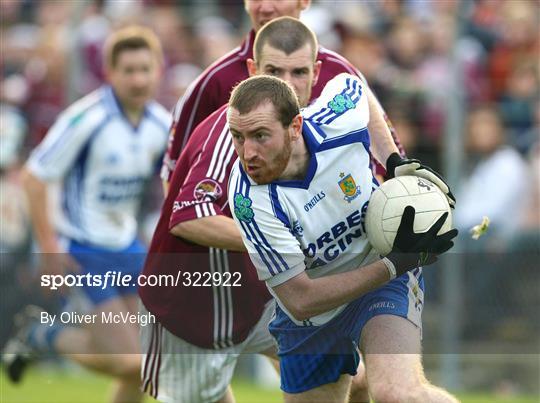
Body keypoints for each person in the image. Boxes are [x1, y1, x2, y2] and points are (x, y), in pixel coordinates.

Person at [139, 16, 374, 403]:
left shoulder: (310, 126)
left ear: (315, 74)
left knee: (357, 378)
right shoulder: (229, 133)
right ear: (252, 72)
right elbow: (188, 218)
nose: (288, 85)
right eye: (274, 72)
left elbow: (364, 106)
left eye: (297, 72)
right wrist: (289, 246)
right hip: (192, 310)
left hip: (263, 298)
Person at [227, 74, 458, 402]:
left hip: (379, 280)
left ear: (295, 127)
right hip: (313, 315)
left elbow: (356, 86)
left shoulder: (336, 120)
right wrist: (395, 264)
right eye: (238, 136)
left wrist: (393, 160)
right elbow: (300, 300)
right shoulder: (249, 201)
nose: (247, 152)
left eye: (260, 135)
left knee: (397, 393)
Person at [3, 26, 170, 403]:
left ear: (159, 70)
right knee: (131, 361)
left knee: (150, 359)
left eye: (145, 69)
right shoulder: (87, 119)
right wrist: (49, 246)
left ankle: (42, 333)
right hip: (82, 249)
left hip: (127, 247)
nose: (138, 79)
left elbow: (167, 186)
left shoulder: (161, 124)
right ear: (110, 73)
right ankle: (41, 334)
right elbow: (33, 178)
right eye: (129, 70)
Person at [160, 0, 404, 195]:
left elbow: (383, 164)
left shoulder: (342, 74)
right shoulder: (213, 82)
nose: (265, 7)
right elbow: (175, 180)